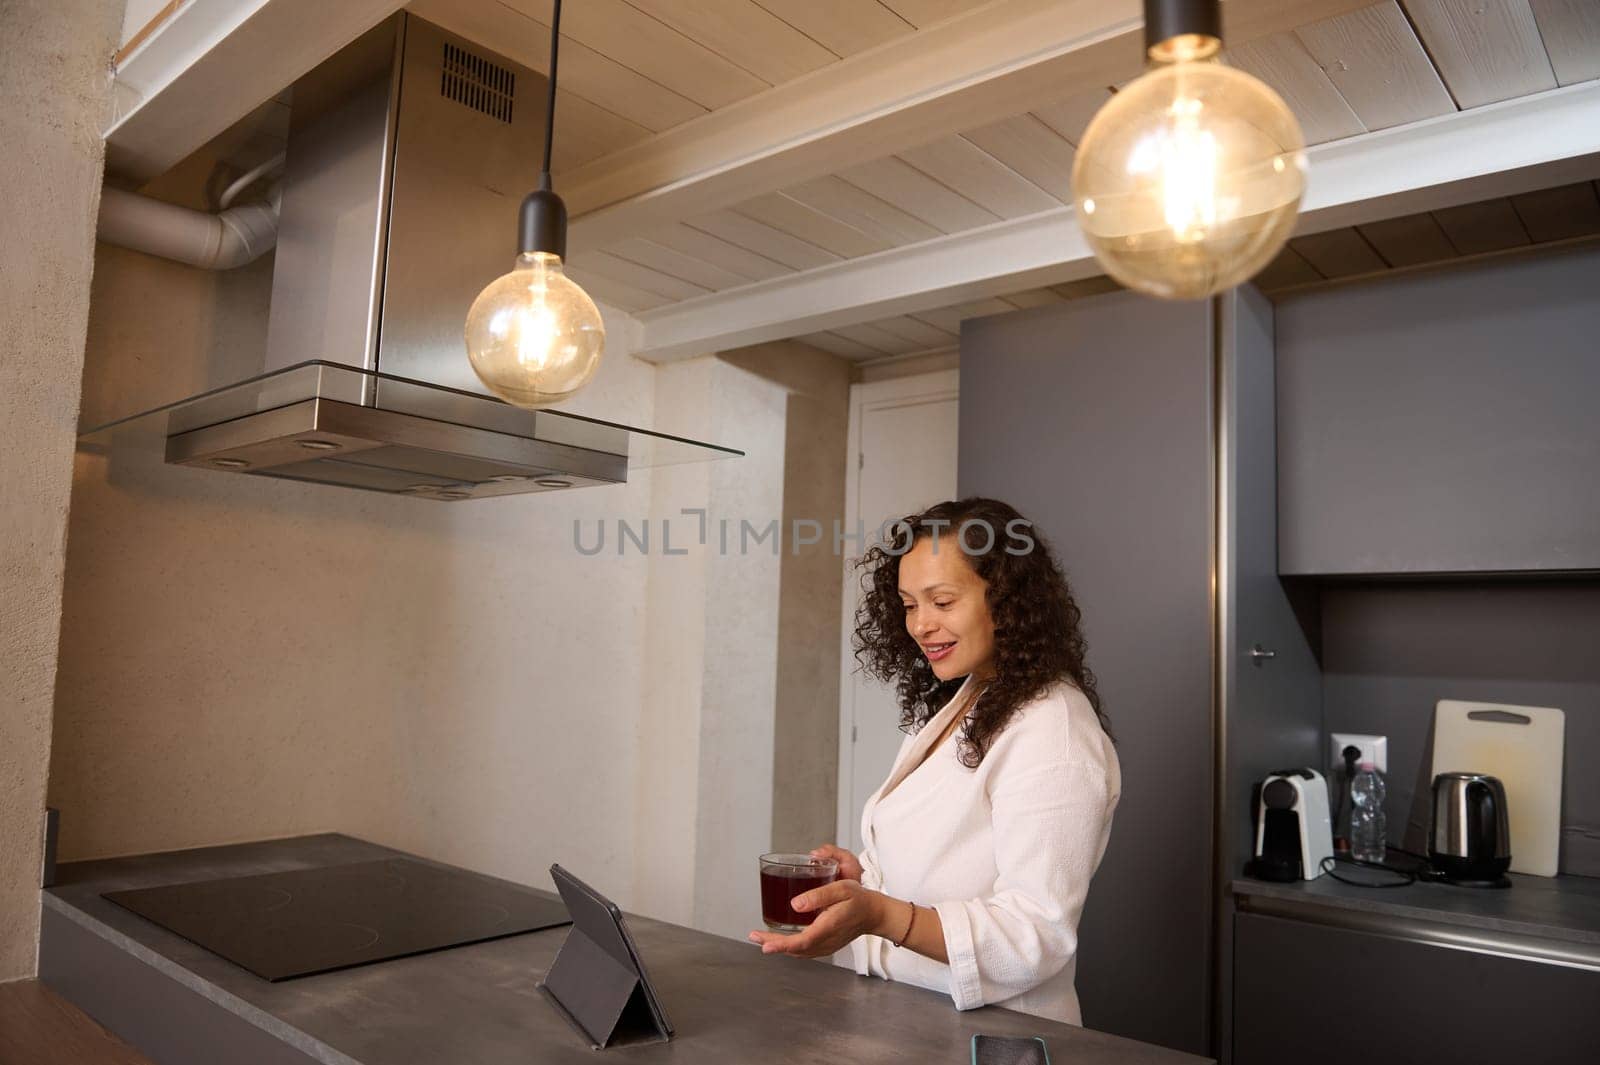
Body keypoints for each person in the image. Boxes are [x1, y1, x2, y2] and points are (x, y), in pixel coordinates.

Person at [747, 497, 1120, 1026]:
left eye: (942, 601)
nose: (921, 625)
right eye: (908, 604)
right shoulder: (973, 700)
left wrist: (879, 914)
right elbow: (949, 864)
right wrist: (866, 883)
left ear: (1008, 601)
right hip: (913, 1021)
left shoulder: (1052, 729)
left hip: (998, 1034)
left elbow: (1035, 937)